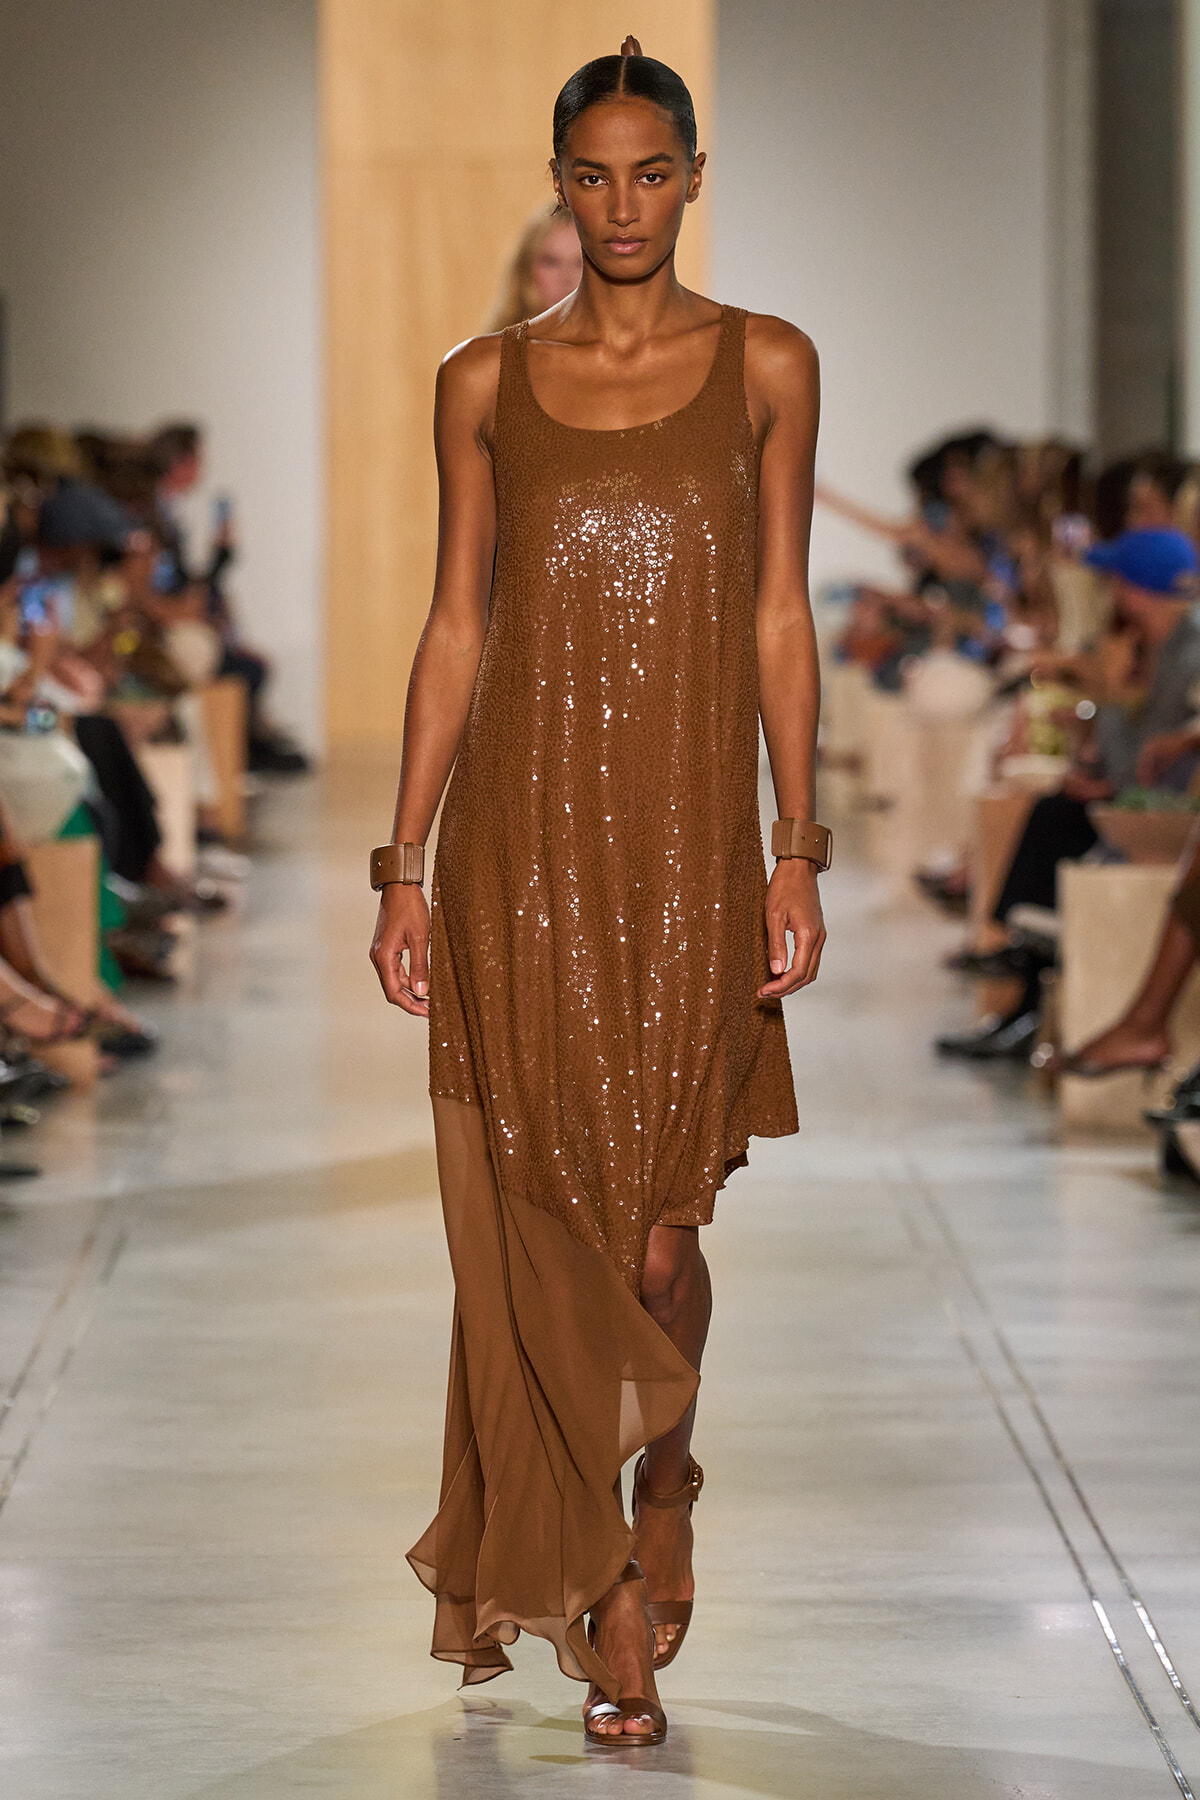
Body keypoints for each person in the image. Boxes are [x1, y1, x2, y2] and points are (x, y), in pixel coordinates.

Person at [369, 39, 826, 1748]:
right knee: (544, 1225)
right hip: (518, 854)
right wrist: (402, 862)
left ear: (691, 178)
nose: (622, 204)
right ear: (556, 182)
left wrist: (797, 842)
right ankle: (604, 1592)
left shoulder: (767, 364)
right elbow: (455, 627)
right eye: (592, 174)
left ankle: (670, 1457)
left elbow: (780, 613)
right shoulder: (481, 382)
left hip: (691, 848)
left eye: (652, 172)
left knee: (655, 1239)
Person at [938, 526, 1200, 1059]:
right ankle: (1023, 977)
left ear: (1134, 589)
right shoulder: (1161, 649)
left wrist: (1102, 709)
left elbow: (1145, 760)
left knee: (1059, 813)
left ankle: (1024, 978)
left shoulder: (1182, 656)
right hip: (1146, 804)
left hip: (1164, 815)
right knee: (1056, 809)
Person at [486, 203, 584, 329]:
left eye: (581, 263)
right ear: (525, 269)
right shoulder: (494, 347)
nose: (566, 277)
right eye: (551, 262)